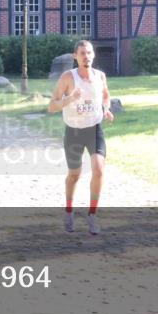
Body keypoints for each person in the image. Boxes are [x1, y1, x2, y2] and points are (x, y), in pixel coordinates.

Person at [48, 40, 114, 235]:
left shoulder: (100, 76)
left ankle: (92, 215)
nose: (87, 57)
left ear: (93, 55)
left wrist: (106, 109)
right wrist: (70, 99)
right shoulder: (68, 77)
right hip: (74, 132)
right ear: (75, 56)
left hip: (94, 129)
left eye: (89, 53)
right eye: (82, 53)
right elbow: (52, 106)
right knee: (74, 175)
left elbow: (105, 94)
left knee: (99, 170)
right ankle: (68, 211)